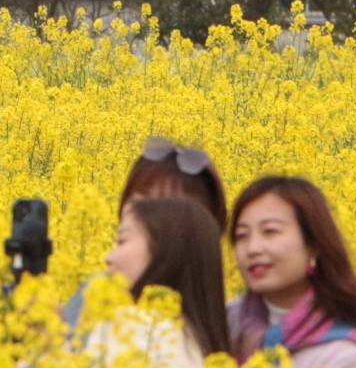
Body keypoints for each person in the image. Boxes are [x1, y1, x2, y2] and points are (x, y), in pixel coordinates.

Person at [227, 175, 356, 368]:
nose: (252, 248)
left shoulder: (347, 357)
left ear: (313, 245)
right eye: (241, 236)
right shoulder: (224, 324)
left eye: (270, 232)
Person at [59, 136, 229, 331]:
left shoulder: (232, 327)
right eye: (139, 202)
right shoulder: (93, 295)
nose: (144, 215)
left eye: (164, 208)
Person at [84, 195, 235, 368]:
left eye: (122, 241)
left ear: (166, 250)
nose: (109, 258)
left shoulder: (128, 328)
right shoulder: (208, 353)